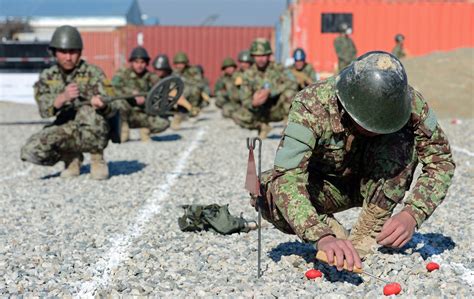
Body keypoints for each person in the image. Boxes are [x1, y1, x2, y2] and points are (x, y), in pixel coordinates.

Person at [251, 51, 455, 271]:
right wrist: (321, 236)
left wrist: (413, 214)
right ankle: (329, 227)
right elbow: (287, 176)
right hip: (324, 187)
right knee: (264, 190)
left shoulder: (407, 103)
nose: (373, 131)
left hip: (374, 184)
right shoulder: (311, 104)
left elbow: (441, 160)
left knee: (403, 140)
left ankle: (369, 229)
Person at [20, 25, 114, 180]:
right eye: (63, 52)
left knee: (88, 112)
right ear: (55, 53)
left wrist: (103, 105)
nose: (68, 57)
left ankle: (97, 158)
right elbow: (44, 111)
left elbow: (114, 107)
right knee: (31, 150)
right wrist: (61, 98)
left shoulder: (94, 73)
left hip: (92, 126)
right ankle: (71, 158)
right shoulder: (48, 76)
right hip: (66, 127)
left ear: (80, 52)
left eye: (73, 52)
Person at [232, 38, 298, 139]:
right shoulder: (248, 75)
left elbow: (293, 82)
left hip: (278, 108)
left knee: (290, 93)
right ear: (253, 56)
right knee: (237, 115)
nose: (260, 59)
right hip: (261, 111)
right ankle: (263, 127)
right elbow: (245, 99)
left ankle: (289, 128)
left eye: (263, 55)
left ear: (269, 56)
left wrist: (271, 92)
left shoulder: (278, 68)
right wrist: (253, 103)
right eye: (257, 56)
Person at [111, 47, 170, 142]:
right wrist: (131, 94)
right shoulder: (122, 74)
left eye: (142, 62)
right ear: (132, 62)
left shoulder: (151, 77)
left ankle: (145, 130)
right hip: (126, 112)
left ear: (146, 63)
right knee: (118, 103)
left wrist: (147, 99)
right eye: (136, 62)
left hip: (142, 113)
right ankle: (122, 129)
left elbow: (161, 94)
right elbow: (112, 89)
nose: (139, 65)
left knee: (164, 123)